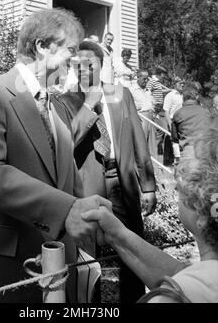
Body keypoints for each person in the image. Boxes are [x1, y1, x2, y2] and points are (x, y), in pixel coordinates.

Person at [0, 8, 111, 303]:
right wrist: (66, 211)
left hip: (52, 270)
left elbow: (69, 184)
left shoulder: (57, 107)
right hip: (0, 265)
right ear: (42, 47)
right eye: (70, 50)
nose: (75, 62)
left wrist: (89, 215)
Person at [59, 40, 157, 303]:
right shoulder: (65, 101)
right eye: (76, 65)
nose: (83, 70)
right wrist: (89, 105)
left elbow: (138, 139)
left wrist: (148, 186)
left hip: (122, 182)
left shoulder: (120, 94)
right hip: (88, 187)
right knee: (89, 259)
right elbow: (67, 141)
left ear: (100, 65)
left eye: (89, 64)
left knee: (132, 249)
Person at [82, 126, 218, 303]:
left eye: (181, 185)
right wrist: (118, 235)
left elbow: (187, 284)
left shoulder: (173, 298)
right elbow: (181, 272)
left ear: (201, 215)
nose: (177, 188)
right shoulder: (204, 278)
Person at [171, 82, 211, 163]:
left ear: (183, 97)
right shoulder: (206, 112)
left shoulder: (178, 114)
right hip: (205, 152)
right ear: (196, 97)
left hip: (188, 153)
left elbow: (174, 138)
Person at [130, 69, 157, 158]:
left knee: (153, 144)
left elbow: (152, 103)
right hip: (141, 117)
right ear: (138, 77)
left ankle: (155, 169)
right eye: (144, 79)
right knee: (142, 143)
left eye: (147, 79)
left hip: (151, 117)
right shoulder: (132, 89)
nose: (146, 81)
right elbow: (129, 105)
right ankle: (142, 167)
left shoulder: (148, 90)